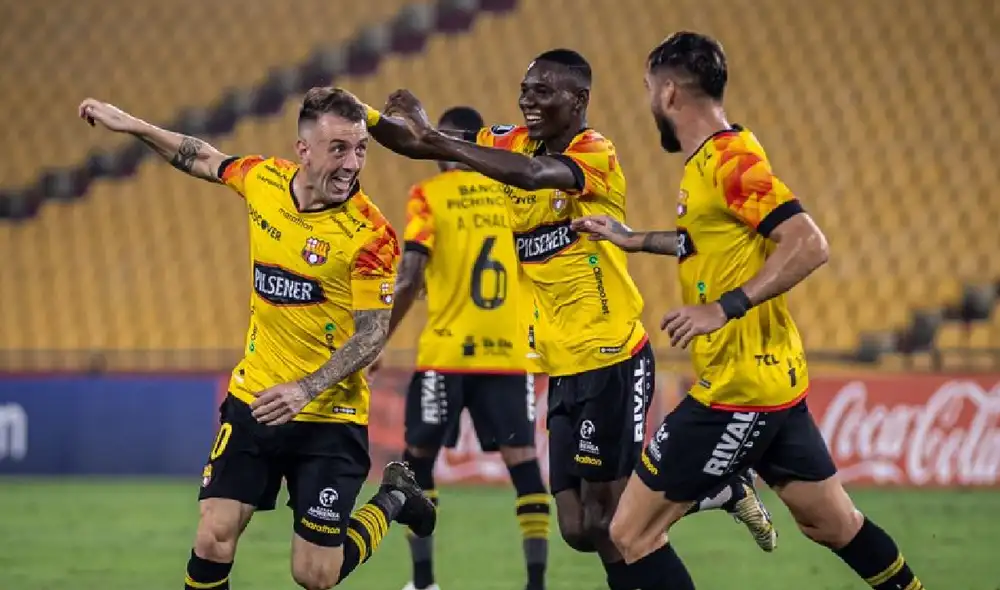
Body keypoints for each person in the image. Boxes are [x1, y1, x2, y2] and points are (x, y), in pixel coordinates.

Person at [364, 49, 777, 589]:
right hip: (559, 362)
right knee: (579, 528)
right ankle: (718, 488)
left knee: (618, 523)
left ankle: (715, 486)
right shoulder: (510, 141)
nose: (527, 101)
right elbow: (414, 143)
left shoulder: (595, 152)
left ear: (578, 100)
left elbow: (535, 175)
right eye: (525, 89)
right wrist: (361, 115)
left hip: (612, 355)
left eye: (542, 92)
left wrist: (440, 138)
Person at [572, 32, 925, 590]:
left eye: (647, 89)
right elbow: (707, 242)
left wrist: (724, 308)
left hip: (736, 391)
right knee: (832, 522)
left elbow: (809, 243)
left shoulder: (730, 161)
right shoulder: (713, 159)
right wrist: (634, 239)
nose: (647, 102)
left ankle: (727, 487)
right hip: (774, 381)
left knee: (628, 536)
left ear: (668, 95)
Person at [77, 87, 436, 590]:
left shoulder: (370, 235)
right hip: (255, 398)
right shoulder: (264, 179)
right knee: (213, 536)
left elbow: (373, 336)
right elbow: (202, 156)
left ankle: (396, 496)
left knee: (315, 576)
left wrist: (305, 388)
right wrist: (133, 124)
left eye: (360, 149)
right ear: (303, 150)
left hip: (328, 416)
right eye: (339, 149)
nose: (353, 163)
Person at [369, 105, 551, 590]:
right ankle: (537, 585)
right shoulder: (508, 194)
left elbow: (409, 275)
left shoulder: (429, 196)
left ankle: (424, 582)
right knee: (527, 471)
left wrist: (378, 339)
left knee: (417, 465)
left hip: (447, 355)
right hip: (508, 357)